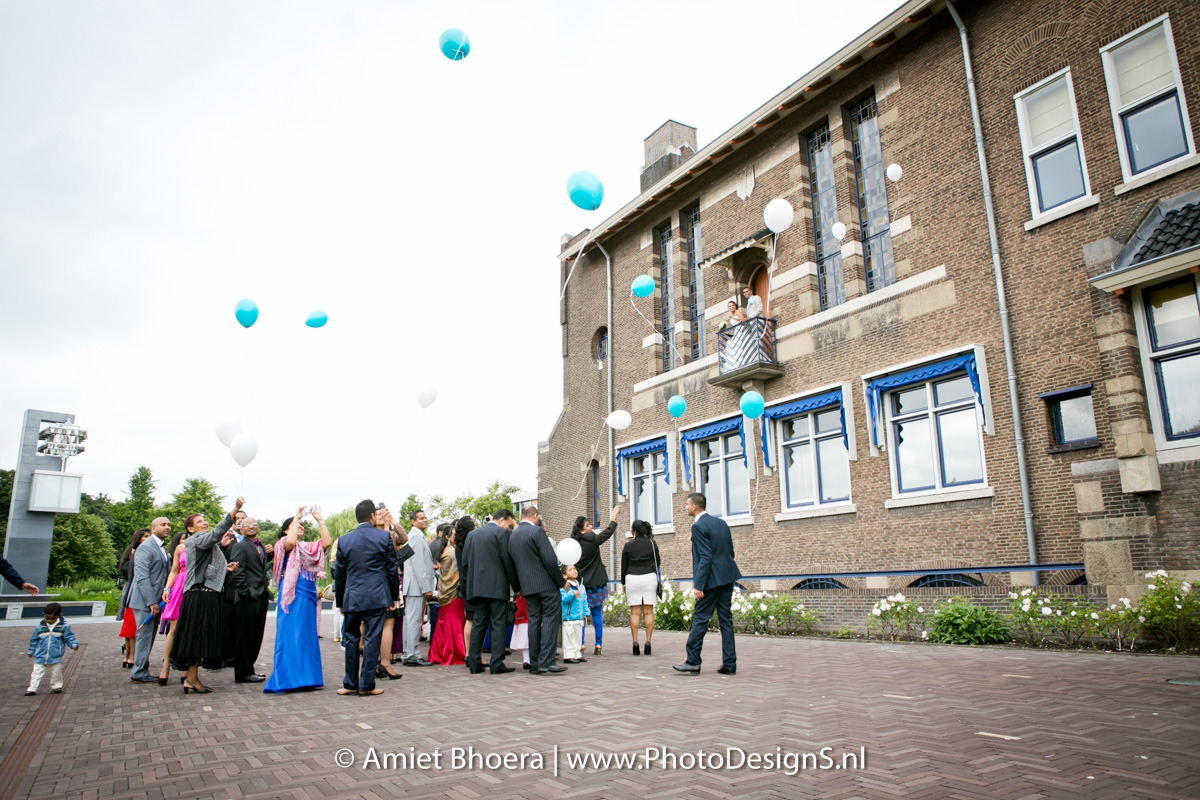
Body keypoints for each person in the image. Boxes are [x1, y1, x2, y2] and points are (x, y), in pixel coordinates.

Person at [172, 499, 241, 694]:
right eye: (200, 521)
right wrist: (234, 510)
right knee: (197, 637)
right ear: (190, 529)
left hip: (201, 594)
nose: (204, 523)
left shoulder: (201, 542)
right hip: (200, 596)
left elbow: (205, 567)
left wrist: (225, 568)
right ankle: (192, 678)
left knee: (196, 637)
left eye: (204, 520)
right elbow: (217, 532)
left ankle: (189, 677)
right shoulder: (197, 539)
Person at [334, 499, 400, 697]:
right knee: (372, 638)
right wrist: (393, 596)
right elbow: (391, 570)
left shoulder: (344, 540)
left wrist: (340, 602)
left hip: (352, 596)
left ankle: (350, 683)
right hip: (377, 595)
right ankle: (367, 685)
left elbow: (340, 575)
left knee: (351, 637)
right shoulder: (384, 538)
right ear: (372, 516)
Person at [264, 507, 331, 693]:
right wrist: (297, 517)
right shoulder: (283, 544)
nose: (299, 526)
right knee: (291, 634)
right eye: (295, 525)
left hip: (308, 592)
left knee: (307, 636)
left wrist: (319, 520)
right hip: (292, 593)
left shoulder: (307, 547)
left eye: (301, 525)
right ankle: (288, 678)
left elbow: (326, 543)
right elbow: (291, 541)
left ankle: (307, 678)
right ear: (286, 530)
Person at [674, 493, 742, 675]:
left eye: (687, 504)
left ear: (694, 507)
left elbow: (705, 557)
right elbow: (730, 552)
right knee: (726, 620)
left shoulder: (698, 527)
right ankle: (730, 663)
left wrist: (699, 585)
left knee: (700, 619)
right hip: (727, 577)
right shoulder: (721, 523)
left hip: (710, 580)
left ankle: (693, 660)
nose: (686, 507)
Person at [508, 505, 567, 675]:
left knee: (533, 621)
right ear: (535, 516)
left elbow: (511, 564)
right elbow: (549, 559)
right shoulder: (538, 532)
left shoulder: (513, 536)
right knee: (550, 619)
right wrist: (560, 582)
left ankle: (534, 662)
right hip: (546, 585)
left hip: (528, 587)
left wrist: (518, 587)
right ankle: (547, 660)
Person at [460, 509, 518, 675]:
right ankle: (496, 663)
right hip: (497, 587)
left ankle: (474, 663)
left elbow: (464, 563)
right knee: (498, 624)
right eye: (508, 524)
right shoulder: (501, 534)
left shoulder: (472, 535)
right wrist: (516, 586)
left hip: (477, 588)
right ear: (501, 520)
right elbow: (507, 562)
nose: (508, 528)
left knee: (479, 623)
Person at [570, 505, 622, 656]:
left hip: (582, 584)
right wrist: (614, 516)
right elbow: (607, 533)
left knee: (582, 615)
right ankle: (598, 645)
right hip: (597, 583)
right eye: (588, 525)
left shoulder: (573, 544)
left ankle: (581, 644)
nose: (591, 526)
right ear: (582, 530)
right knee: (597, 614)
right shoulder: (591, 538)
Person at [129, 517, 172, 684]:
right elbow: (141, 577)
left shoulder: (161, 547)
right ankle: (138, 672)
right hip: (145, 602)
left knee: (148, 636)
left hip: (155, 601)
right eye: (163, 525)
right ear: (153, 529)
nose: (167, 527)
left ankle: (141, 669)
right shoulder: (146, 548)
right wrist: (151, 602)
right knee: (144, 635)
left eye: (168, 525)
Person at [230, 517, 271, 683]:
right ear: (241, 529)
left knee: (256, 636)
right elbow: (237, 572)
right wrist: (246, 593)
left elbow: (258, 566)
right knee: (245, 637)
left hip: (260, 596)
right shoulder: (240, 546)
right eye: (247, 525)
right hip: (248, 598)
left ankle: (249, 669)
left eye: (254, 524)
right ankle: (242, 673)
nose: (252, 527)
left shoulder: (259, 545)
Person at [427, 524, 467, 666]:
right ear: (447, 536)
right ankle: (454, 652)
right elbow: (457, 573)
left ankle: (438, 652)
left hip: (444, 592)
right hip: (454, 592)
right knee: (455, 622)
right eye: (454, 534)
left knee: (442, 623)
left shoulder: (443, 551)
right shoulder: (453, 552)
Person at [157, 524, 192, 684]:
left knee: (190, 630)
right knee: (173, 629)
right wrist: (167, 588)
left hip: (194, 587)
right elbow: (174, 570)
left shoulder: (206, 545)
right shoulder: (180, 547)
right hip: (179, 587)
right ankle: (165, 666)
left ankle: (186, 669)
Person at [401, 509, 436, 667]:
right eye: (421, 518)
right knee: (413, 620)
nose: (425, 520)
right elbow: (419, 565)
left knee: (411, 620)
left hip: (414, 587)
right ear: (413, 522)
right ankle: (412, 654)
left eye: (425, 517)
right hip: (416, 587)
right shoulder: (415, 537)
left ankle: (409, 652)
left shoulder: (416, 537)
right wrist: (426, 587)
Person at [622, 520, 662, 655]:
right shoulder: (652, 544)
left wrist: (623, 583)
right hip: (649, 578)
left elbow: (624, 566)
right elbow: (658, 562)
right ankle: (648, 642)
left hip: (632, 578)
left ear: (634, 531)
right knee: (648, 612)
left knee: (635, 613)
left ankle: (635, 643)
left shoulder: (628, 545)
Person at [25, 602, 78, 695]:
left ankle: (57, 686)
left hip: (55, 655)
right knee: (36, 673)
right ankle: (32, 688)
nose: (49, 620)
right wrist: (31, 651)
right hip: (40, 655)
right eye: (47, 618)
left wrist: (74, 644)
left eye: (53, 618)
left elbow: (69, 637)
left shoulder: (63, 627)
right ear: (44, 615)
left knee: (56, 673)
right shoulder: (39, 627)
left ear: (59, 616)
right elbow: (34, 640)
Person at [115, 528, 149, 669]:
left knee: (130, 628)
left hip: (131, 592)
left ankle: (129, 657)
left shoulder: (134, 552)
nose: (149, 538)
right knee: (133, 628)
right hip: (135, 592)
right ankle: (132, 657)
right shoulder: (138, 552)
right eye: (146, 536)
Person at [453, 515, 476, 653]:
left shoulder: (458, 545)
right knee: (475, 620)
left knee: (469, 619)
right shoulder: (471, 543)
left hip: (464, 583)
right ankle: (473, 654)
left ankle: (467, 653)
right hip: (473, 583)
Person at [560, 565, 586, 664]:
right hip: (569, 617)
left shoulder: (581, 586)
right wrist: (572, 593)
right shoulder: (565, 587)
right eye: (570, 570)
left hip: (579, 616)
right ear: (565, 576)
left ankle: (577, 653)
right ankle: (568, 655)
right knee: (569, 636)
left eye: (574, 569)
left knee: (577, 636)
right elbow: (564, 600)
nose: (574, 571)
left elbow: (584, 600)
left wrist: (585, 613)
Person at [510, 593, 530, 668]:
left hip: (520, 596)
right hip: (529, 596)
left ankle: (526, 659)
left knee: (523, 630)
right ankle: (528, 659)